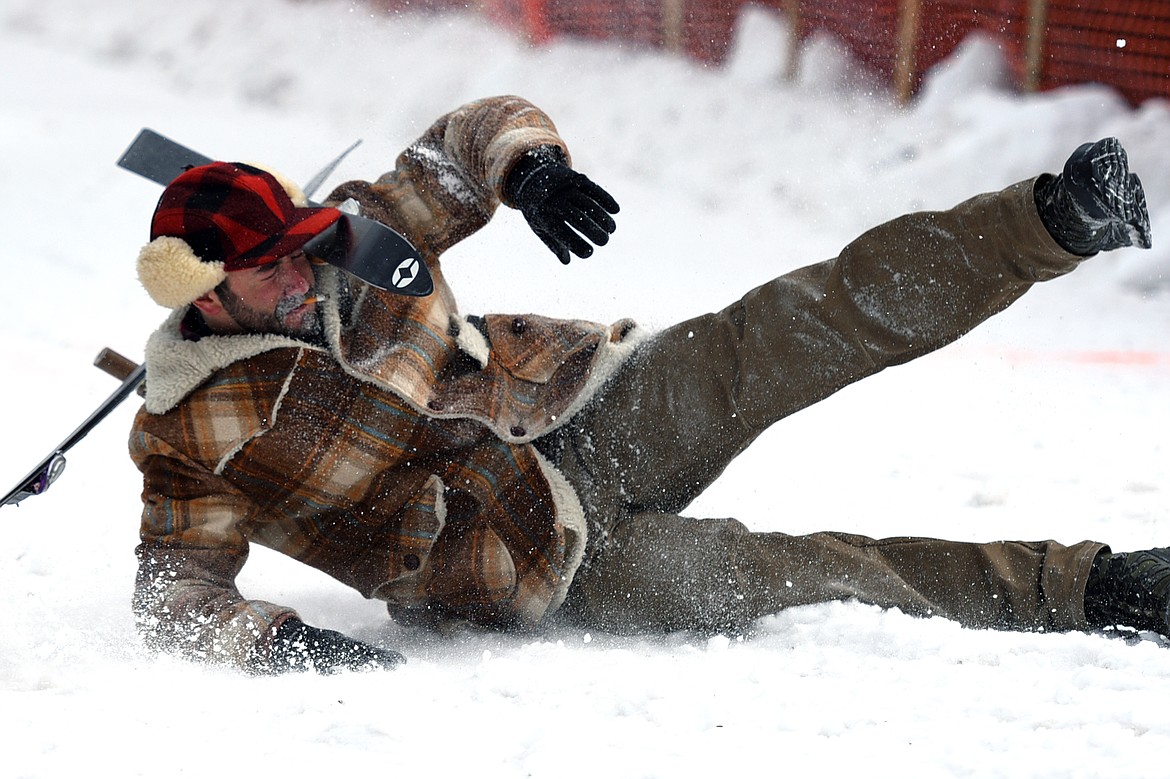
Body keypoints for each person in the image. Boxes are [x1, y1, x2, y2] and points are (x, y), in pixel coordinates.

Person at [129, 95, 1164, 674]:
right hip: (530, 562)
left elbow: (468, 136)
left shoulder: (352, 241)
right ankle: (1087, 584)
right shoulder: (188, 432)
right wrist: (275, 642)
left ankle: (1050, 220)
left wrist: (528, 169)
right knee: (797, 570)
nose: (305, 275)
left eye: (305, 249)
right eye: (271, 267)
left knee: (789, 325)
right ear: (205, 290)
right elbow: (173, 594)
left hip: (572, 412)